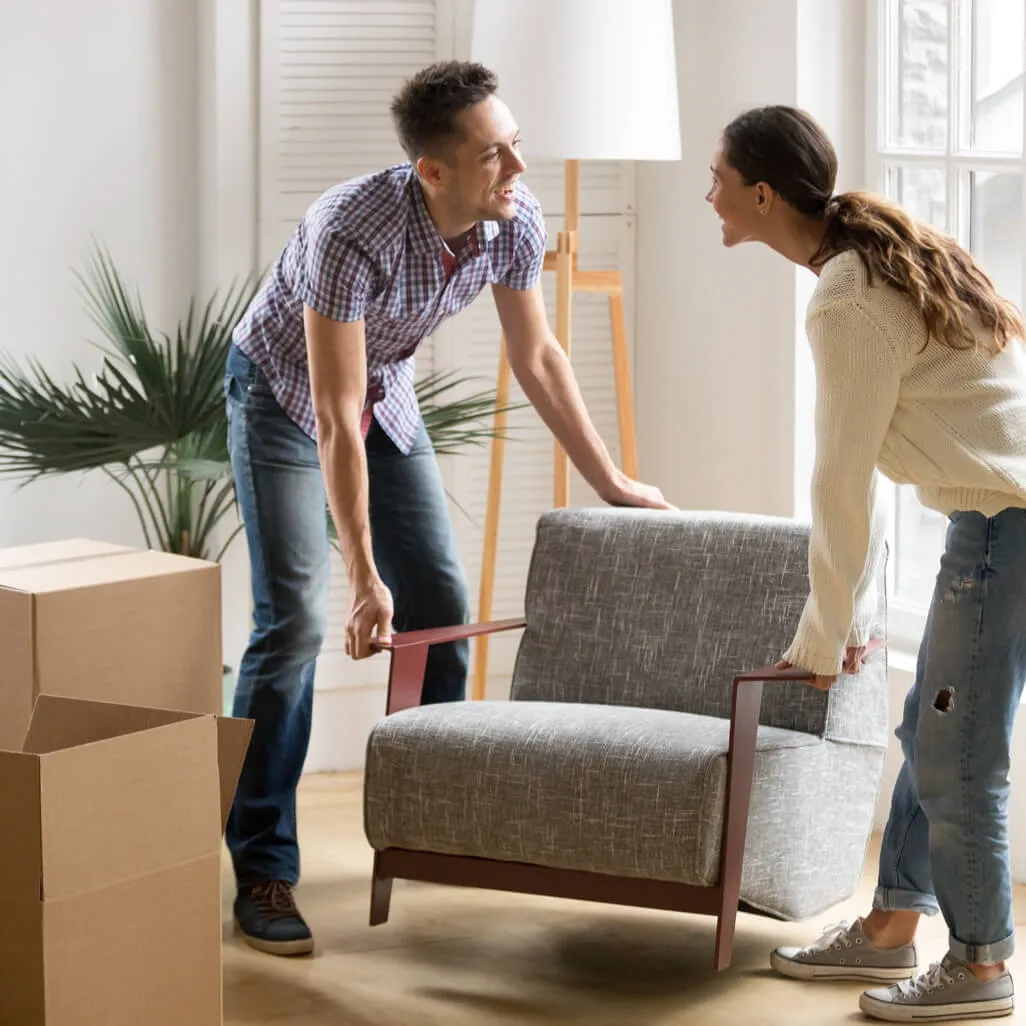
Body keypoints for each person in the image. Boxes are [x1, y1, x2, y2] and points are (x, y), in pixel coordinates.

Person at [222, 60, 672, 957]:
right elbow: (333, 417)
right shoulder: (350, 229)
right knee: (295, 622)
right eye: (493, 155)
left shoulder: (511, 218)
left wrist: (610, 479)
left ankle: (433, 819)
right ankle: (263, 865)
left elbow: (538, 357)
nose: (516, 168)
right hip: (281, 395)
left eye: (515, 146)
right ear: (433, 171)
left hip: (379, 389)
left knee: (440, 602)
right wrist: (360, 577)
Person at [706, 104, 1026, 1022]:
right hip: (994, 523)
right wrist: (841, 619)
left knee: (959, 758)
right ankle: (891, 924)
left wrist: (822, 637)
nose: (709, 194)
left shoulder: (847, 296)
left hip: (1010, 528)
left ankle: (979, 968)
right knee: (935, 735)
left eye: (720, 178)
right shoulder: (868, 266)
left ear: (764, 194)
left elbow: (841, 481)